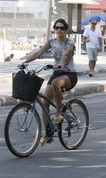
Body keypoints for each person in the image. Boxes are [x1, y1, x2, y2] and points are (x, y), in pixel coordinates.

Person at [21, 18, 77, 146]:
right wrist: (24, 62)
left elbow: (67, 54)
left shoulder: (70, 42)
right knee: (44, 103)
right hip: (57, 73)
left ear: (66, 30)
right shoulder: (51, 42)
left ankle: (58, 113)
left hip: (69, 74)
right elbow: (39, 53)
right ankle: (48, 134)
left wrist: (61, 64)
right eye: (56, 28)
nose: (58, 30)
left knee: (56, 82)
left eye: (61, 28)